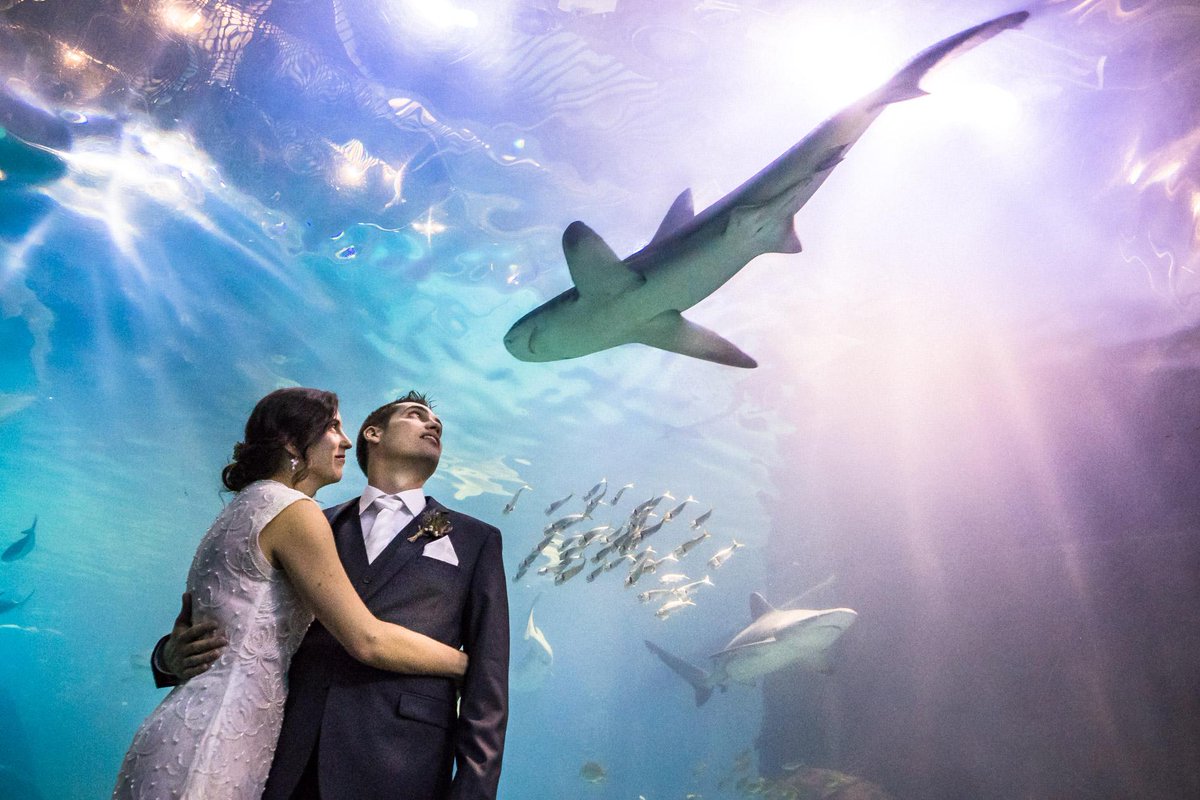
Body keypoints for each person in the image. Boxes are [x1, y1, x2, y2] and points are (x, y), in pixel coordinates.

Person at [114, 388, 469, 800]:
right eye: (333, 427)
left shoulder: (240, 509)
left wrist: (167, 658)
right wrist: (467, 664)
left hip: (185, 724)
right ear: (291, 441)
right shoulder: (296, 513)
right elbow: (365, 638)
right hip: (222, 734)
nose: (346, 440)